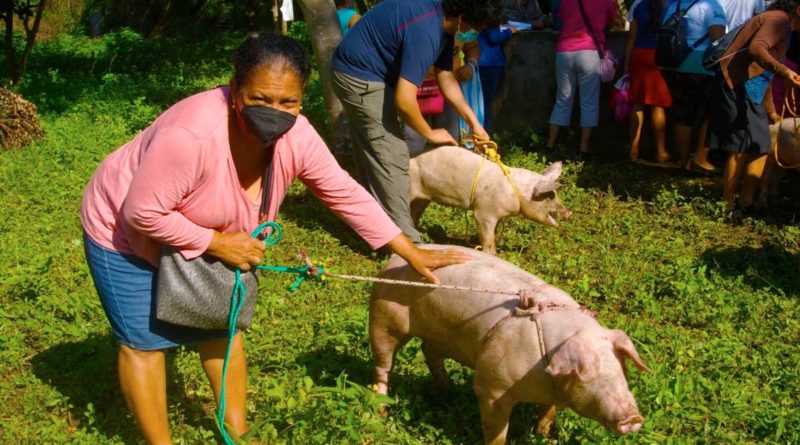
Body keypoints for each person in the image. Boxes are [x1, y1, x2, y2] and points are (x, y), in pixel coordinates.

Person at [80, 33, 469, 444]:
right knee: (145, 343)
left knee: (221, 328)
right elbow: (141, 212)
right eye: (260, 99)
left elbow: (343, 191)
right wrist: (216, 243)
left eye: (288, 103)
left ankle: (239, 436)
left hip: (201, 228)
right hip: (122, 229)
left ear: (302, 99)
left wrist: (409, 250)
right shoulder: (190, 135)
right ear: (235, 89)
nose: (275, 112)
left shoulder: (297, 135)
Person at [332, 0, 497, 244]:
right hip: (359, 74)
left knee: (374, 150)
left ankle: (370, 223)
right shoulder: (427, 30)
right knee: (392, 155)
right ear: (463, 18)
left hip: (363, 70)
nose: (477, 35)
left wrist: (474, 123)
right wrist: (430, 133)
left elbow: (446, 77)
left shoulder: (443, 24)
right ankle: (406, 244)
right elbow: (405, 100)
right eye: (478, 28)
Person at [708, 0, 800, 213]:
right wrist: (784, 71)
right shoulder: (779, 19)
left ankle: (746, 202)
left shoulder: (781, 24)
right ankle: (729, 203)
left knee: (760, 146)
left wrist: (771, 110)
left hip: (751, 87)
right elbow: (756, 48)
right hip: (738, 84)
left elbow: (762, 69)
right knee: (742, 146)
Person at [692, 0, 766, 172]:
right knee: (725, 110)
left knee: (713, 110)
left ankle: (704, 154)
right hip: (736, 53)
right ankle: (707, 156)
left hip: (718, 53)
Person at [659, 0, 726, 169]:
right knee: (709, 112)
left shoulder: (674, 6)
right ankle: (700, 158)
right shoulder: (711, 6)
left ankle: (683, 161)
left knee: (683, 114)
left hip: (676, 64)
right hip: (703, 66)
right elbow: (718, 37)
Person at [545, 0, 618, 154]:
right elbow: (611, 21)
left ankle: (550, 144)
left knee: (562, 99)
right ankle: (583, 147)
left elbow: (561, 19)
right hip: (589, 52)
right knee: (589, 101)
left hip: (564, 51)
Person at [625, 0, 674, 164]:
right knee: (658, 105)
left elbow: (631, 36)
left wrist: (626, 64)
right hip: (661, 56)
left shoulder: (637, 5)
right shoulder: (673, 4)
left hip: (639, 54)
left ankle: (633, 148)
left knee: (637, 103)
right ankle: (661, 151)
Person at [478, 23, 517, 134]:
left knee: (485, 101)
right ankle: (485, 133)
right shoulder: (489, 18)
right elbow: (494, 37)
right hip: (488, 64)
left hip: (488, 63)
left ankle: (483, 131)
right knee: (486, 102)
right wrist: (509, 31)